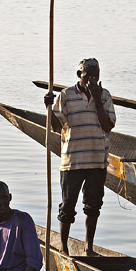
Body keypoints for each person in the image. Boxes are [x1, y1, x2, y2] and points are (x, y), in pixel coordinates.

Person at [45, 58, 116, 256]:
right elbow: (55, 126)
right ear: (79, 76)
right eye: (88, 76)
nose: (92, 79)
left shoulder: (104, 95)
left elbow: (108, 125)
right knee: (67, 205)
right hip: (72, 161)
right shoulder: (66, 95)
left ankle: (89, 247)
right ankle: (64, 247)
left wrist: (97, 99)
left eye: (96, 75)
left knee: (93, 206)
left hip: (96, 159)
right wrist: (49, 108)